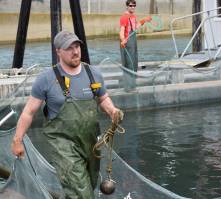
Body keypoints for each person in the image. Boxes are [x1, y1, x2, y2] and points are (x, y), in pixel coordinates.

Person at [11, 30, 123, 198]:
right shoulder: (46, 79)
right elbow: (29, 112)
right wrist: (17, 140)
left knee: (87, 186)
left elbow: (103, 98)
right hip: (63, 145)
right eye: (69, 48)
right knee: (80, 192)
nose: (75, 51)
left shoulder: (93, 74)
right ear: (58, 51)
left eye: (77, 46)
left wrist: (113, 111)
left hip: (90, 143)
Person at [119, 0, 152, 91]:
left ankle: (132, 86)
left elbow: (135, 27)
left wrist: (144, 20)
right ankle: (128, 88)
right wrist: (123, 40)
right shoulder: (124, 17)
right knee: (128, 65)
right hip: (127, 43)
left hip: (133, 42)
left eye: (134, 5)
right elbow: (121, 31)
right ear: (127, 6)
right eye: (130, 5)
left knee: (134, 64)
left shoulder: (133, 16)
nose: (132, 7)